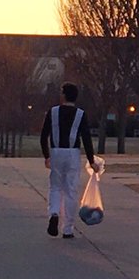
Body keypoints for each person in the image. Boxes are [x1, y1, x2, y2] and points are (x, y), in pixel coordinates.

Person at [40, 82, 96, 239]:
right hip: (73, 153)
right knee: (71, 190)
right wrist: (91, 160)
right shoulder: (80, 114)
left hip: (56, 152)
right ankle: (68, 229)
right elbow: (86, 138)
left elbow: (43, 136)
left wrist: (47, 156)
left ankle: (54, 213)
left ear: (64, 95)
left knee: (55, 187)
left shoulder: (53, 112)